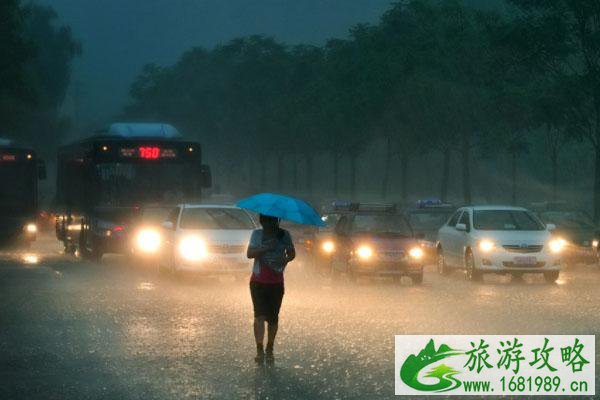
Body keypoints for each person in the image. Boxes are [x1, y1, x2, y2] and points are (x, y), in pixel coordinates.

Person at [247, 214, 295, 364]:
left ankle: (270, 347)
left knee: (273, 318)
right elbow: (249, 254)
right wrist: (266, 247)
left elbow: (292, 253)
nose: (270, 224)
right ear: (262, 221)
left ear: (277, 221)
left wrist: (285, 259)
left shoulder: (284, 235)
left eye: (273, 220)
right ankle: (259, 349)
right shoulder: (257, 234)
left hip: (276, 282)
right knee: (259, 315)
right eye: (267, 221)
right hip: (258, 281)